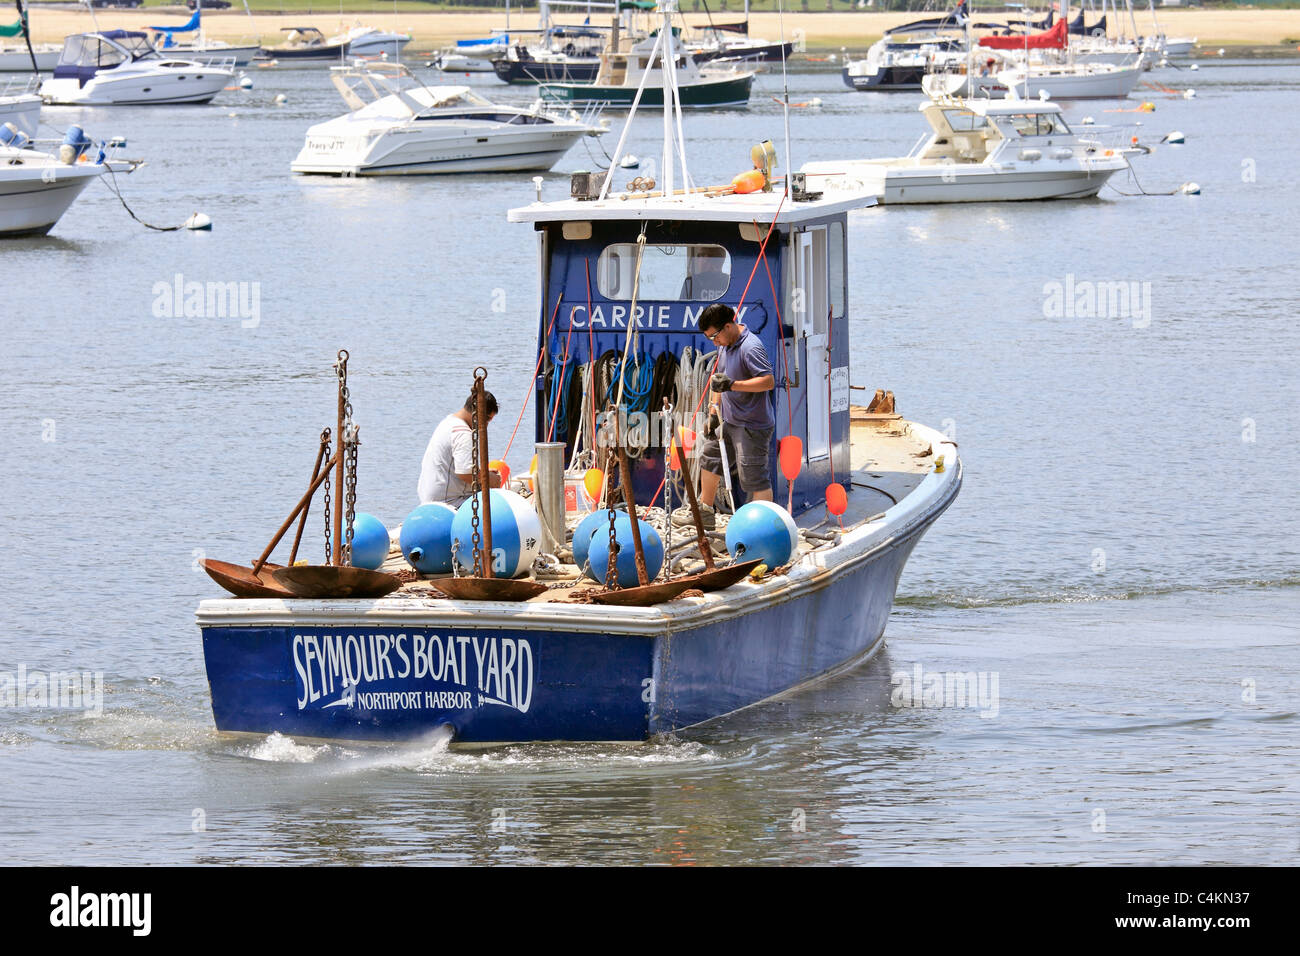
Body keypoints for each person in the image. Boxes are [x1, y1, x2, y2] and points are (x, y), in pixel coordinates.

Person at [675, 303, 775, 529]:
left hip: (751, 425)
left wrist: (734, 385)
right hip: (727, 421)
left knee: (754, 477)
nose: (713, 342)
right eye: (709, 338)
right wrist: (712, 413)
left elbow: (768, 381)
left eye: (714, 336)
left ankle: (760, 528)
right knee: (709, 457)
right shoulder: (724, 344)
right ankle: (705, 512)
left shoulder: (750, 348)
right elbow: (718, 380)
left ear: (728, 326)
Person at [417, 391, 501, 508]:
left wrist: (482, 472)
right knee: (502, 503)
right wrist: (489, 478)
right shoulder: (462, 433)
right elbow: (465, 473)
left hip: (430, 499)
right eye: (487, 421)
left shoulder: (449, 422)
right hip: (448, 502)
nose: (486, 426)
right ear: (477, 414)